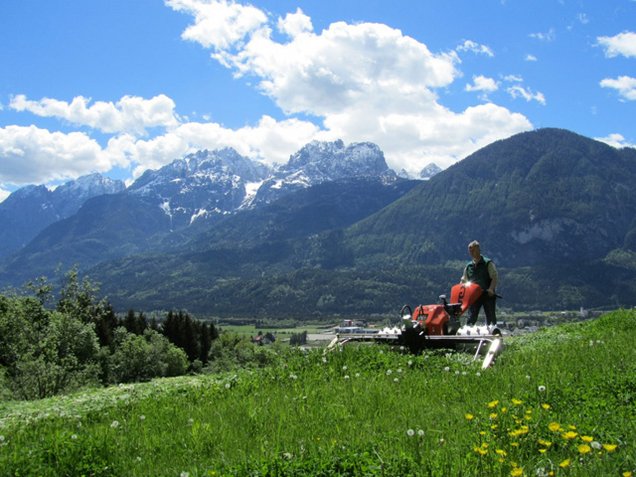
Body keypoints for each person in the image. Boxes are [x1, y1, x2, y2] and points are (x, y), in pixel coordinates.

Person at [461, 240, 498, 326]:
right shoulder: (468, 266)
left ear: (478, 249)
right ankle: (468, 336)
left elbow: (494, 277)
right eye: (470, 251)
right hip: (474, 295)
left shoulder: (487, 263)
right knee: (471, 318)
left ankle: (493, 336)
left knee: (491, 318)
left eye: (473, 250)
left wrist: (491, 289)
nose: (471, 253)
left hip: (487, 294)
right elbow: (463, 281)